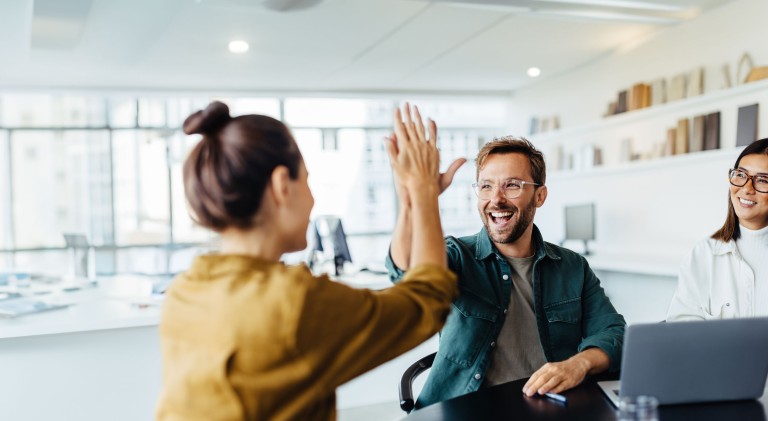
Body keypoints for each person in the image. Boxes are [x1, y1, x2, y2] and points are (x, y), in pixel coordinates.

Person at [156, 101, 458, 420]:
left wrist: (413, 201)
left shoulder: (185, 291)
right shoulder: (291, 303)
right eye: (307, 180)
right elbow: (426, 300)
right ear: (281, 185)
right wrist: (423, 192)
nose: (313, 199)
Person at [386, 136, 626, 408]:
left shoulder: (572, 266)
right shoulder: (456, 256)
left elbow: (615, 332)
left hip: (545, 408)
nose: (496, 199)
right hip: (463, 410)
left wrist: (579, 364)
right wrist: (412, 200)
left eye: (512, 185)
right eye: (486, 186)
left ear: (540, 196)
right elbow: (405, 271)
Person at [667, 138, 768, 321]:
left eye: (762, 180)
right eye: (740, 175)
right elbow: (682, 330)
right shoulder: (703, 254)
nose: (746, 188)